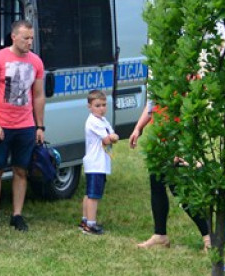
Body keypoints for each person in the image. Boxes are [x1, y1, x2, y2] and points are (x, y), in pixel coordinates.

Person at [0, 19, 45, 232]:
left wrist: (39, 127)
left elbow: (38, 96)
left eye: (31, 38)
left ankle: (17, 215)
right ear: (14, 37)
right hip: (2, 125)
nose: (29, 42)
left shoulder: (36, 62)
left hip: (25, 125)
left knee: (21, 170)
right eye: (25, 38)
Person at [128, 99, 211, 249]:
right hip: (159, 141)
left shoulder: (186, 77)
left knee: (180, 189)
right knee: (157, 184)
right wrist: (138, 128)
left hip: (177, 141)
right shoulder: (157, 79)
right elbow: (151, 105)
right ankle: (160, 235)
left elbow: (190, 111)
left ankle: (208, 237)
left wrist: (178, 146)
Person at [80, 89, 119, 235]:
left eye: (104, 105)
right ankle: (90, 224)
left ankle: (85, 220)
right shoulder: (93, 122)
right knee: (94, 195)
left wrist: (112, 135)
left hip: (100, 163)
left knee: (89, 193)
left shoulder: (102, 120)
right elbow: (108, 139)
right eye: (97, 105)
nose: (101, 108)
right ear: (89, 107)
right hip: (95, 163)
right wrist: (114, 137)